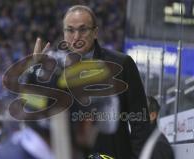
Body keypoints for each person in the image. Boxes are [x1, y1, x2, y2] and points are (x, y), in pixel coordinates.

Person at [25, 5, 150, 159]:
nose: (76, 36)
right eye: (70, 30)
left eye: (83, 30)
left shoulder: (122, 64)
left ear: (95, 32)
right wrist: (35, 72)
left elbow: (141, 121)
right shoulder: (53, 70)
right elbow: (36, 115)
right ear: (64, 34)